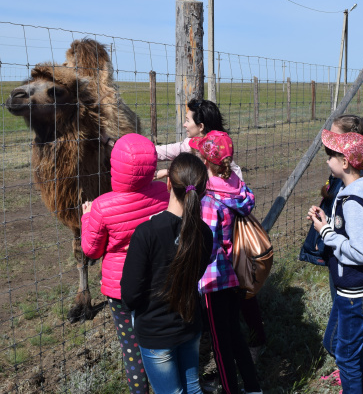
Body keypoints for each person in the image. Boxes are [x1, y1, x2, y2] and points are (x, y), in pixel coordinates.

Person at [81, 133, 170, 394]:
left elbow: (91, 250)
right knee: (160, 341)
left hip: (120, 290)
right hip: (158, 282)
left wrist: (87, 218)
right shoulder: (164, 193)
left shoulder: (101, 206)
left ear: (114, 167)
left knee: (131, 349)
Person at [121, 153, 213, 394]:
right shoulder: (204, 233)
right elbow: (195, 275)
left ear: (169, 183)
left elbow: (130, 296)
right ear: (201, 191)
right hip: (190, 324)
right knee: (192, 388)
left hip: (156, 332)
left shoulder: (146, 233)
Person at [308, 130, 363, 394]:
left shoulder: (353, 200)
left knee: (347, 357)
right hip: (350, 289)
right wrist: (328, 223)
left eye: (331, 155)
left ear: (345, 163)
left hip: (356, 291)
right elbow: (353, 232)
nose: (327, 159)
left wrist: (326, 233)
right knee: (334, 345)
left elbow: (361, 252)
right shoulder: (353, 193)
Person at [189, 130, 262, 394]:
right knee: (235, 334)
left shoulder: (209, 200)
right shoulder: (236, 187)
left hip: (214, 279)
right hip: (236, 272)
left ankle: (230, 389)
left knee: (220, 345)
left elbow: (206, 245)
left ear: (204, 160)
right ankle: (252, 387)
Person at [155, 99, 242, 180]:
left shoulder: (190, 146)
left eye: (188, 121)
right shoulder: (223, 147)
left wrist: (168, 172)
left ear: (201, 126)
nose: (184, 125)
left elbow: (162, 151)